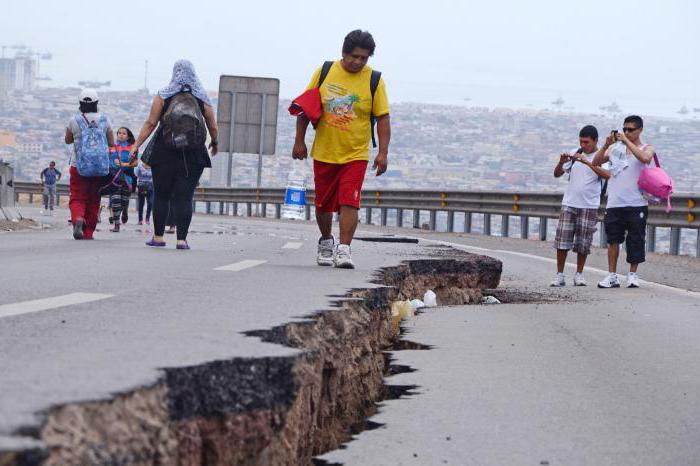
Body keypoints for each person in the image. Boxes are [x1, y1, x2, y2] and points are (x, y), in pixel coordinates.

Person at [292, 29, 391, 269]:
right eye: (354, 56)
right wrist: (299, 141)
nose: (358, 62)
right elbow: (306, 106)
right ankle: (326, 241)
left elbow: (383, 118)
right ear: (344, 53)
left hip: (355, 153)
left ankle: (345, 248)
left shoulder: (374, 80)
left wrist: (383, 152)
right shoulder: (325, 71)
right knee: (323, 204)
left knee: (350, 200)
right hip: (325, 151)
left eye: (364, 58)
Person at [130, 60, 218, 249]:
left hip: (164, 152)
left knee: (161, 195)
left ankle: (159, 237)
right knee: (184, 197)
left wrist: (136, 144)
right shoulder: (202, 97)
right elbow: (212, 124)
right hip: (193, 154)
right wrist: (215, 142)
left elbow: (150, 123)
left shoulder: (163, 95)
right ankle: (182, 240)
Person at [592, 115, 655, 288]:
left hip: (637, 202)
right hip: (615, 202)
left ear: (640, 130)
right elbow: (596, 162)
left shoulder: (646, 147)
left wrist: (627, 141)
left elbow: (645, 158)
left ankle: (632, 274)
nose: (626, 132)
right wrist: (606, 145)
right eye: (624, 129)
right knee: (613, 240)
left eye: (630, 130)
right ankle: (612, 275)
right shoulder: (615, 149)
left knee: (635, 240)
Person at [551, 125, 610, 287]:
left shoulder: (602, 157)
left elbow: (606, 175)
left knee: (583, 242)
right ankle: (560, 274)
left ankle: (579, 274)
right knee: (562, 240)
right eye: (581, 142)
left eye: (586, 142)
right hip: (569, 203)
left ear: (595, 141)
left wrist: (588, 162)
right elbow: (557, 174)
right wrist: (561, 162)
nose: (583, 145)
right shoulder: (574, 152)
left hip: (589, 205)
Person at [65, 89, 114, 240]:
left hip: (78, 165)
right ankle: (88, 232)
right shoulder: (105, 119)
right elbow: (111, 142)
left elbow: (68, 140)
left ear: (80, 103)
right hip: (99, 168)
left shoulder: (74, 120)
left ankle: (78, 218)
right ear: (96, 103)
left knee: (77, 197)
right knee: (94, 199)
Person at [107, 127, 137, 232]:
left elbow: (135, 163)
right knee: (115, 200)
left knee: (124, 201)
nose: (121, 135)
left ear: (128, 136)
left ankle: (125, 210)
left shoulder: (132, 147)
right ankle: (116, 224)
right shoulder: (112, 147)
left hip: (127, 178)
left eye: (123, 133)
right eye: (119, 133)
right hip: (114, 178)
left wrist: (123, 164)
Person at [135, 160, 154, 225]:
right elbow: (136, 176)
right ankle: (140, 219)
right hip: (141, 186)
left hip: (150, 186)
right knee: (141, 204)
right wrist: (136, 187)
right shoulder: (140, 166)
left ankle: (147, 218)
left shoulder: (153, 166)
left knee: (150, 203)